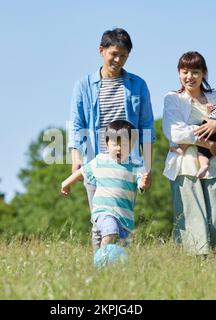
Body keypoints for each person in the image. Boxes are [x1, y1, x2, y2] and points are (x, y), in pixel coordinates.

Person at [67, 28, 155, 251]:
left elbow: (147, 128)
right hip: (96, 163)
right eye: (114, 54)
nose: (118, 60)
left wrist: (148, 167)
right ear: (101, 51)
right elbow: (76, 125)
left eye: (124, 56)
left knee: (122, 221)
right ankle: (100, 268)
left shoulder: (138, 85)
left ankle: (119, 269)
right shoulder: (84, 86)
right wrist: (75, 158)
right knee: (100, 222)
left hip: (127, 165)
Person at [162, 51, 216, 255]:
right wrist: (208, 144)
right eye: (185, 71)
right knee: (192, 217)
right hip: (185, 166)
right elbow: (175, 131)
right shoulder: (173, 99)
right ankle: (194, 263)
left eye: (195, 72)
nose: (190, 76)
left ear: (204, 73)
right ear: (179, 73)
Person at [61, 120, 149, 248]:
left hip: (125, 217)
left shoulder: (135, 165)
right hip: (104, 211)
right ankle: (103, 258)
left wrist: (144, 183)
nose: (119, 148)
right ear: (107, 145)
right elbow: (81, 172)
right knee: (110, 231)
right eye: (115, 144)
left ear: (132, 145)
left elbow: (141, 183)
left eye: (124, 144)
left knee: (124, 249)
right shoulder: (100, 160)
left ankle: (107, 267)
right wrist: (66, 183)